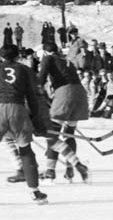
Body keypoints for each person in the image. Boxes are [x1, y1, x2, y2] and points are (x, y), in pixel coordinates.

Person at [0, 43, 49, 204]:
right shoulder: (24, 70)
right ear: (18, 56)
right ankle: (34, 192)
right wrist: (36, 120)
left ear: (0, 56)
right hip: (18, 110)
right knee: (26, 151)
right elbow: (32, 97)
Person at [39, 41, 91, 183]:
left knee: (52, 133)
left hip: (65, 93)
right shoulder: (66, 60)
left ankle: (50, 170)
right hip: (79, 94)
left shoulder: (48, 58)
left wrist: (35, 91)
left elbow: (41, 77)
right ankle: (69, 169)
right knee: (69, 133)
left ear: (45, 52)